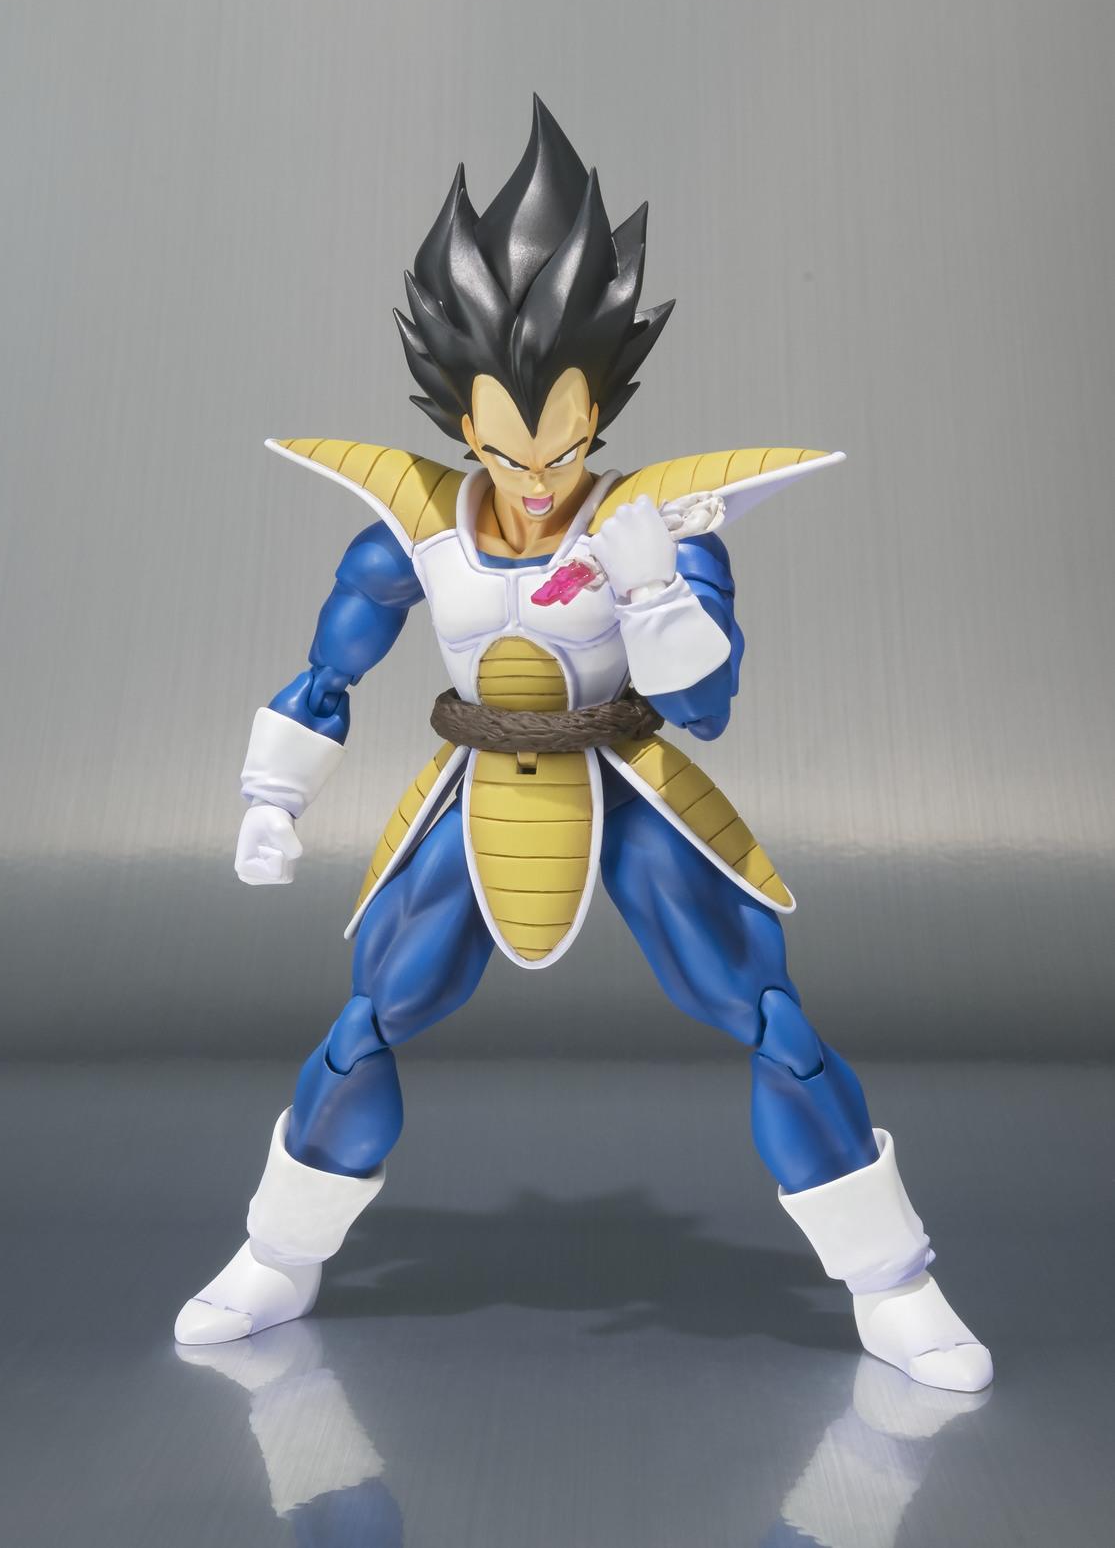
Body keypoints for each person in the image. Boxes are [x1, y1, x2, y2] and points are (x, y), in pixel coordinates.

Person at [174, 98, 991, 1393]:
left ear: (600, 412)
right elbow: (332, 669)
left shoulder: (655, 520)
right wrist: (272, 796)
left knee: (768, 1015)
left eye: (565, 444)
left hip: (627, 782)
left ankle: (895, 1284)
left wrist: (656, 588)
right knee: (369, 1017)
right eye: (508, 447)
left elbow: (707, 705)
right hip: (478, 785)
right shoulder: (411, 529)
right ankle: (279, 1254)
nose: (539, 475)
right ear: (462, 422)